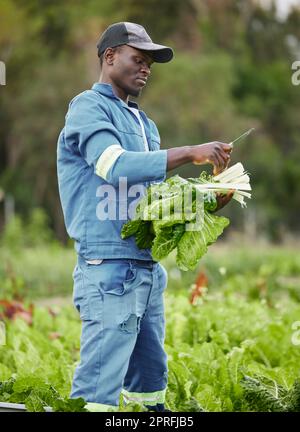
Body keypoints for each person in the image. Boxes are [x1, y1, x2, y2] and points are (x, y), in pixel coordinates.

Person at [56, 22, 233, 412]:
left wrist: (209, 200)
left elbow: (151, 203)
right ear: (109, 57)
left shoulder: (145, 123)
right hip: (108, 268)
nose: (146, 69)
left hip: (146, 269)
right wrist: (189, 152)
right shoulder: (88, 107)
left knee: (151, 381)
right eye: (139, 59)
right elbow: (114, 166)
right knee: (98, 389)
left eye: (149, 63)